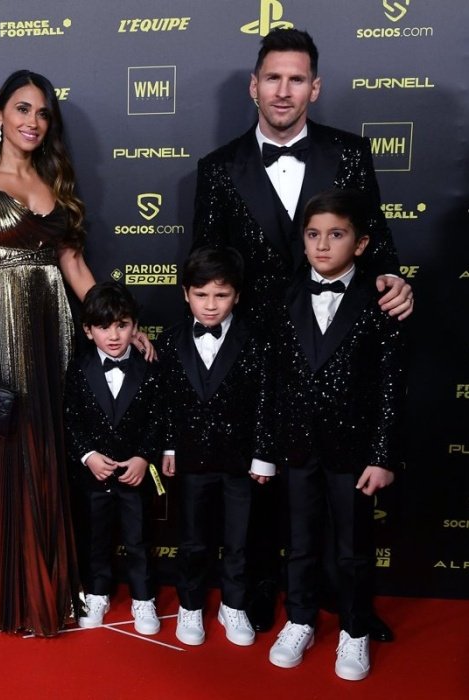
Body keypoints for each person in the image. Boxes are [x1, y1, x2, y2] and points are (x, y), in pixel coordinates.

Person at [191, 27, 412, 639]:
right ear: (253, 86)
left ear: (314, 87)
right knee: (264, 484)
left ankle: (350, 609)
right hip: (258, 353)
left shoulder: (348, 152)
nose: (283, 90)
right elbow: (205, 260)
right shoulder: (218, 170)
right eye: (272, 77)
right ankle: (265, 594)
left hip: (339, 346)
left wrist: (394, 278)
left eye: (296, 79)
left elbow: (380, 242)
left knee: (339, 491)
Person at [0, 69, 98, 637]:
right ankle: (10, 585)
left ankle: (47, 580)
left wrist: (117, 323)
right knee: (12, 453)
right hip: (1, 333)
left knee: (48, 449)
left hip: (53, 333)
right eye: (22, 109)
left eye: (42, 113)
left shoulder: (57, 184)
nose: (33, 121)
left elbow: (75, 269)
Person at [268, 189, 406, 680]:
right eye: (312, 235)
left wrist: (383, 454)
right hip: (297, 446)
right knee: (300, 543)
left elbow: (393, 382)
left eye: (336, 234)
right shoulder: (283, 296)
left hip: (354, 451)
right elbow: (274, 380)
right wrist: (268, 451)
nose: (323, 245)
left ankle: (354, 631)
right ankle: (300, 619)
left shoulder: (381, 299)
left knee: (352, 549)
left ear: (362, 242)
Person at [159, 246, 275, 648]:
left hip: (241, 462)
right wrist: (170, 448)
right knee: (191, 539)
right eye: (201, 294)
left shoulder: (257, 341)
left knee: (239, 539)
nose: (211, 305)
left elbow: (266, 400)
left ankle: (234, 604)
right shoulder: (170, 341)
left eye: (221, 295)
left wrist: (263, 455)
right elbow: (167, 402)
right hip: (191, 459)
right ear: (185, 294)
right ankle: (190, 606)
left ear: (237, 296)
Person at [63, 281, 161, 635]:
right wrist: (88, 455)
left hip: (134, 475)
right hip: (93, 476)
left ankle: (143, 597)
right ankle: (98, 592)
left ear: (135, 327)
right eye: (104, 327)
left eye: (122, 325)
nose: (114, 335)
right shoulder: (77, 368)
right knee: (95, 537)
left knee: (138, 538)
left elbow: (158, 418)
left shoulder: (150, 366)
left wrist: (143, 457)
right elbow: (70, 418)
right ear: (88, 331)